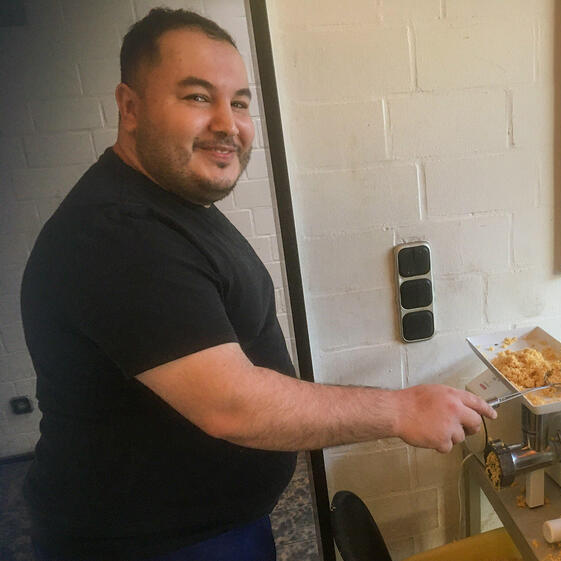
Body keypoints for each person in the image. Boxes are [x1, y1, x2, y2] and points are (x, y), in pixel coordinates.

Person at [20, 8, 496, 561]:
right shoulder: (119, 234)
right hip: (149, 543)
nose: (228, 123)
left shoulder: (170, 202)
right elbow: (232, 404)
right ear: (131, 107)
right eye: (198, 97)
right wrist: (400, 411)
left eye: (240, 101)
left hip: (206, 526)